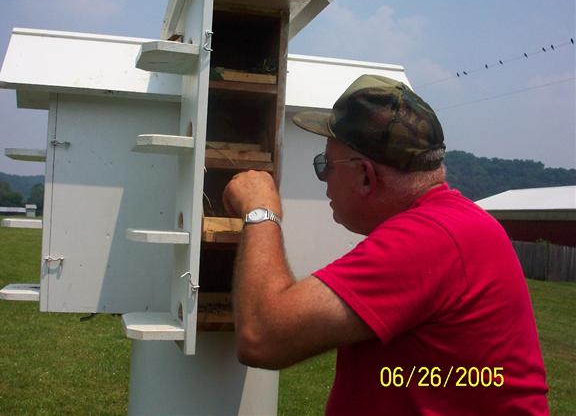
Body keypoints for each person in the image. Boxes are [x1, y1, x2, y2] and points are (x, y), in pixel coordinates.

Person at [222, 75, 549, 415]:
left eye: (326, 166)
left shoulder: (429, 239)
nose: (324, 179)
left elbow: (263, 335)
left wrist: (260, 210)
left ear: (366, 175)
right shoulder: (455, 225)